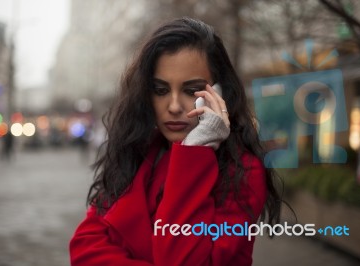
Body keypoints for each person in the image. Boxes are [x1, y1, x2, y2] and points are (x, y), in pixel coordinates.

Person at [69, 17, 282, 266]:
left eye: (192, 90)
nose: (173, 106)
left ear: (220, 94)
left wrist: (194, 154)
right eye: (160, 90)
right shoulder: (139, 152)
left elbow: (180, 259)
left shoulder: (243, 170)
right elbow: (84, 247)